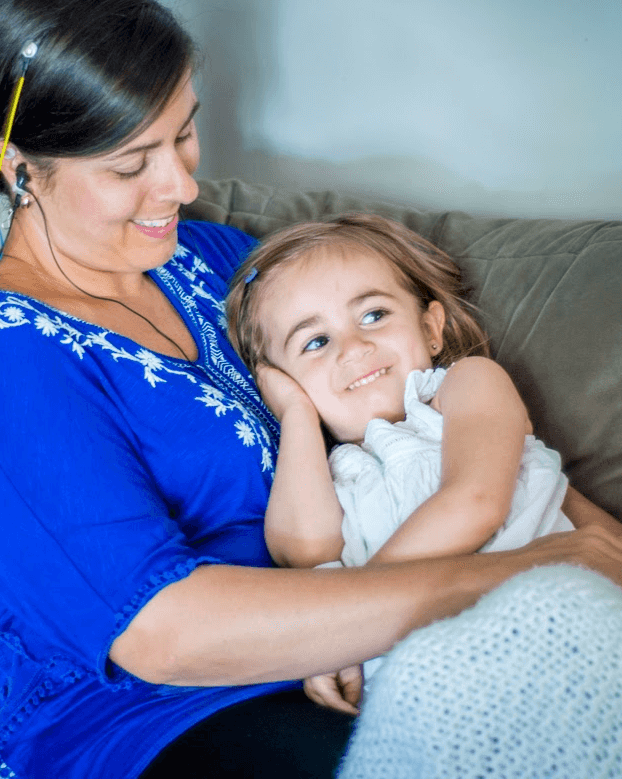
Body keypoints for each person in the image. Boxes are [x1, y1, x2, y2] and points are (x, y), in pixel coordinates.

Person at [0, 0, 622, 778]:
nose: (180, 182)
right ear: (18, 168)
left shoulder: (206, 260)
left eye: (184, 131)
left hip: (359, 650)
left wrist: (612, 548)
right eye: (132, 165)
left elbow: (439, 412)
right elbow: (163, 633)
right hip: (165, 716)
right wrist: (538, 568)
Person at [224, 213, 579, 692]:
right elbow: (304, 552)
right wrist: (297, 416)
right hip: (437, 677)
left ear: (432, 328)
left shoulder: (464, 386)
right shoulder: (333, 473)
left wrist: (347, 626)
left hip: (549, 623)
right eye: (316, 342)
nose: (353, 347)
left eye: (374, 315)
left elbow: (475, 501)